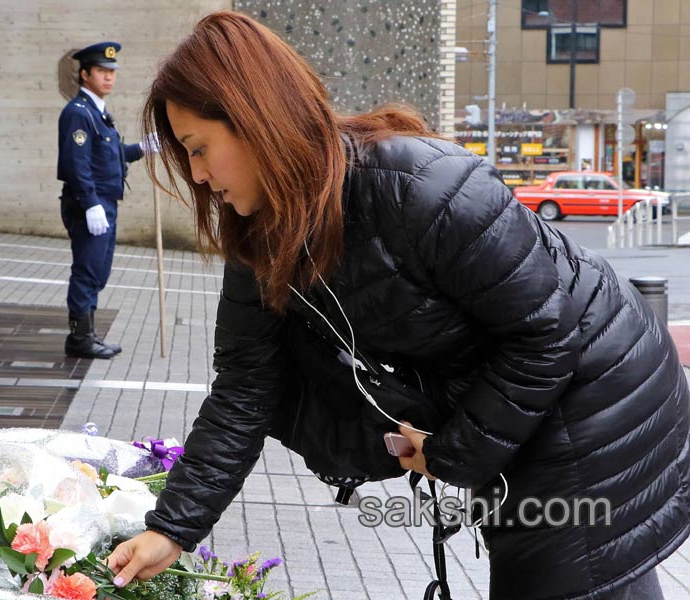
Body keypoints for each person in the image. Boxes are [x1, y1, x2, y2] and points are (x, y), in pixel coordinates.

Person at [106, 12, 690, 600]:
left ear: (257, 120)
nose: (200, 177)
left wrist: (452, 453)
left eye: (200, 149)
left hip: (601, 392)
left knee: (569, 575)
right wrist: (172, 529)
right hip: (524, 400)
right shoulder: (258, 234)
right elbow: (244, 386)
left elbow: (543, 334)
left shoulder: (421, 186)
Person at [57, 41, 144, 359]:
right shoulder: (78, 113)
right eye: (102, 71)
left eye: (112, 72)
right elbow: (75, 162)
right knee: (87, 271)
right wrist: (90, 202)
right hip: (89, 204)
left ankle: (88, 333)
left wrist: (142, 148)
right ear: (84, 74)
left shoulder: (98, 113)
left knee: (99, 270)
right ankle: (79, 338)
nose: (109, 77)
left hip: (105, 202)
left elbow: (109, 154)